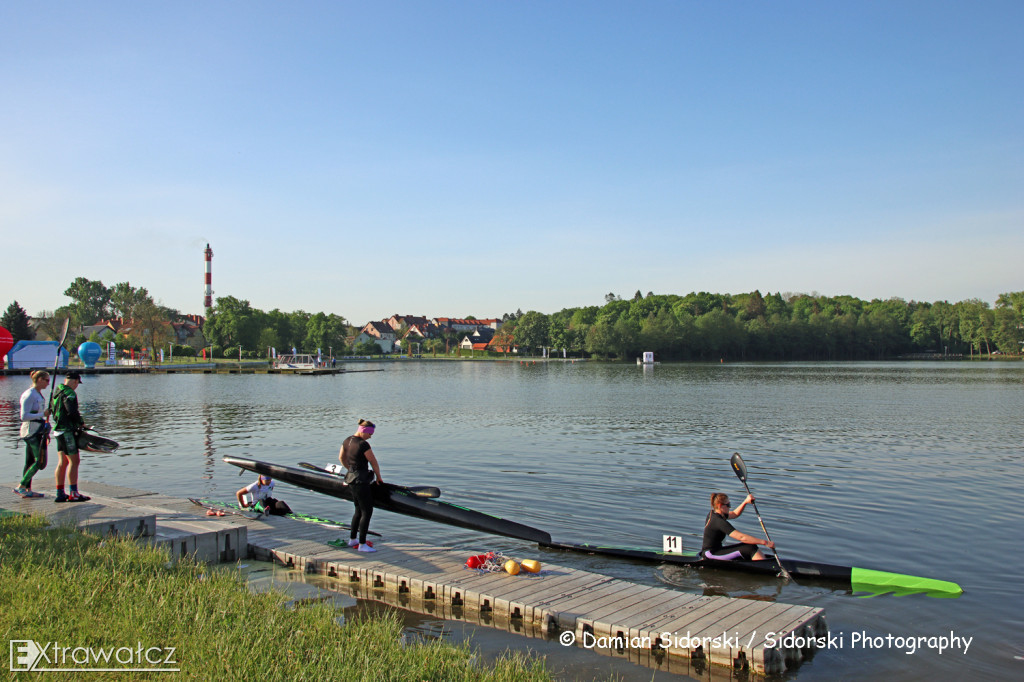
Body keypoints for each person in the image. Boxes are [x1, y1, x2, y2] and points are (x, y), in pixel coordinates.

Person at [339, 418, 383, 552]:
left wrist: (350, 470)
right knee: (367, 511)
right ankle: (362, 545)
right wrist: (379, 478)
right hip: (361, 481)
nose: (370, 437)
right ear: (364, 431)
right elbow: (373, 462)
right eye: (370, 434)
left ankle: (353, 540)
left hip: (351, 479)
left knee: (358, 510)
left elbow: (341, 457)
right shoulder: (363, 444)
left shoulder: (347, 440)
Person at [701, 492, 775, 561]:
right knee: (750, 547)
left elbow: (735, 513)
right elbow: (742, 537)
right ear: (720, 506)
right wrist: (765, 542)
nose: (730, 507)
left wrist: (745, 501)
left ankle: (761, 561)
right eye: (728, 505)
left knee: (748, 546)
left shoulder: (714, 513)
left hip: (716, 550)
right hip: (711, 554)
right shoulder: (719, 522)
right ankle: (764, 567)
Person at [51, 371, 89, 503]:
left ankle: (60, 493)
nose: (77, 386)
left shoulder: (57, 391)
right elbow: (71, 411)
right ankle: (74, 493)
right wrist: (81, 423)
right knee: (74, 461)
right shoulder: (70, 393)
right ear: (75, 381)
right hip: (67, 431)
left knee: (63, 462)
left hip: (58, 430)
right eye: (77, 383)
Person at [14, 370, 51, 498]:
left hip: (38, 430)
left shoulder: (37, 394)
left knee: (29, 461)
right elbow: (23, 416)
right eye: (46, 380)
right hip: (30, 432)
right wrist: (43, 414)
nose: (48, 383)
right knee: (40, 462)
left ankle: (27, 490)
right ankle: (21, 486)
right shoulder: (29, 394)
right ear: (39, 379)